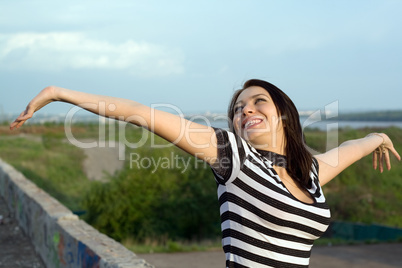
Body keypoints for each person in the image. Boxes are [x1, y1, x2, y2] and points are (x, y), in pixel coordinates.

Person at [10, 79, 400, 268]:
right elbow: (142, 113)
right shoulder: (235, 156)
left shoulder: (308, 173)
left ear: (283, 113)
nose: (245, 110)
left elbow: (350, 149)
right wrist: (61, 93)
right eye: (238, 107)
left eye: (257, 101)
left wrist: (377, 135)